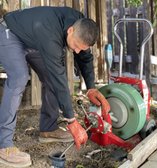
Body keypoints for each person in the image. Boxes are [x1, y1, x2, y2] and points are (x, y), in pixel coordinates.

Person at [0, 6, 110, 167]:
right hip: (10, 33)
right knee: (19, 77)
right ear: (70, 31)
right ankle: (4, 146)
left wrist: (91, 88)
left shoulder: (82, 26)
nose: (77, 51)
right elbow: (58, 78)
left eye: (82, 48)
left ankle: (48, 129)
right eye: (76, 46)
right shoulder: (51, 36)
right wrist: (71, 120)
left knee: (51, 78)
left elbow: (85, 58)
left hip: (33, 39)